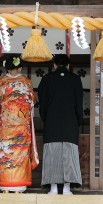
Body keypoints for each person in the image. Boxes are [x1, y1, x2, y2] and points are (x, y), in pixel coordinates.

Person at [0, 55, 38, 193]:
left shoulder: (2, 82)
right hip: (22, 126)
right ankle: (19, 187)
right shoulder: (26, 83)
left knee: (6, 153)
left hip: (6, 127)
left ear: (6, 68)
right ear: (20, 67)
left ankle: (5, 186)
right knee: (20, 153)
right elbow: (32, 101)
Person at [38, 54, 83, 195]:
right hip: (70, 124)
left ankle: (52, 188)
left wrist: (46, 118)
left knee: (52, 155)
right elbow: (79, 104)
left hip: (52, 123)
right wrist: (78, 122)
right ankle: (67, 188)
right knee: (69, 155)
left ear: (54, 65)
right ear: (68, 66)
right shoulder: (76, 79)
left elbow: (42, 104)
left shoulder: (46, 79)